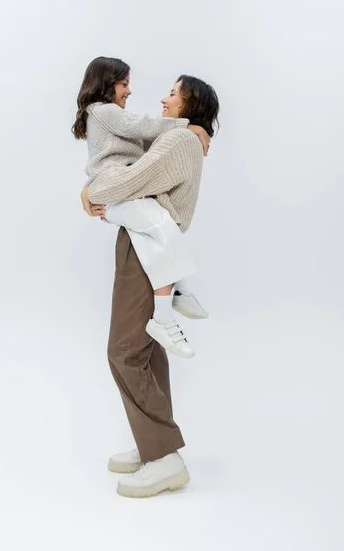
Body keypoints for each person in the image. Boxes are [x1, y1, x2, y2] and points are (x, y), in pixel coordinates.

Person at [81, 68, 219, 498]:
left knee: (123, 351)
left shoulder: (180, 139)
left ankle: (164, 459)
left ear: (190, 103)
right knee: (144, 351)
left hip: (145, 250)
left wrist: (91, 191)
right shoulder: (183, 137)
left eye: (173, 94)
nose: (163, 100)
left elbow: (133, 180)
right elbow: (139, 177)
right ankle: (154, 446)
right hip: (146, 245)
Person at [73, 56, 212, 359]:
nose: (129, 91)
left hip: (120, 192)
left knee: (158, 227)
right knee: (160, 224)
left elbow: (147, 155)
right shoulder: (104, 110)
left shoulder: (107, 117)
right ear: (106, 85)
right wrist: (188, 126)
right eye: (124, 84)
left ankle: (178, 294)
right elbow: (143, 126)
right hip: (116, 189)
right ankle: (166, 313)